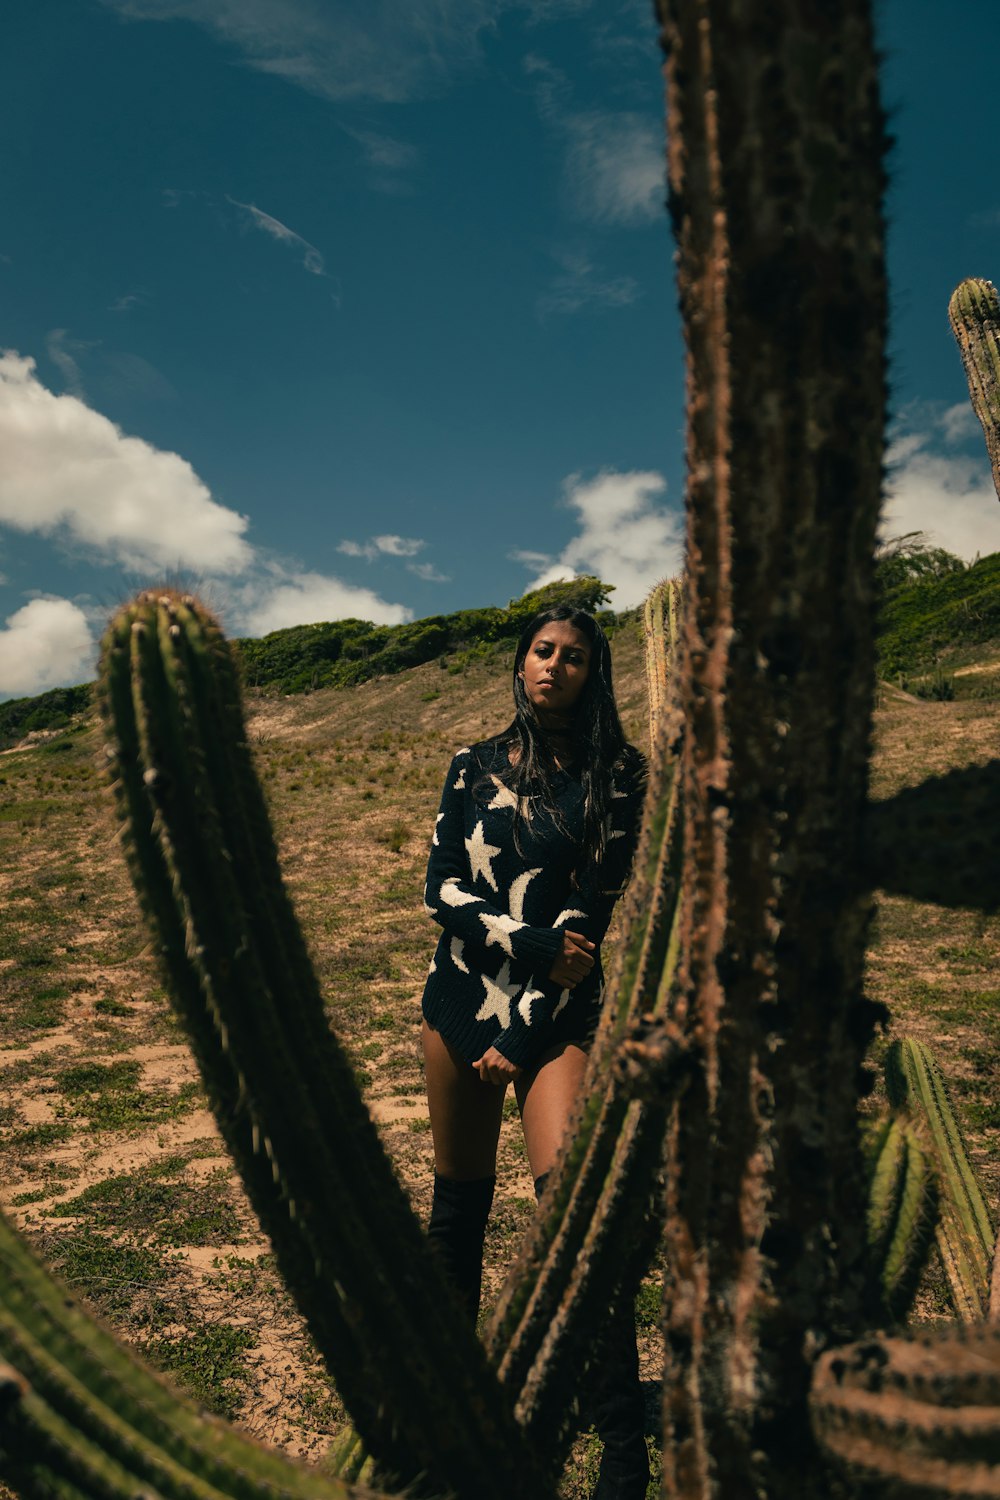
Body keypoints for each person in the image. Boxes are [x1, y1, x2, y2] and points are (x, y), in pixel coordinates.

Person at [420, 604, 649, 1500]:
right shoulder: (469, 765)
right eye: (542, 652)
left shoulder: (620, 777)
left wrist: (522, 1035)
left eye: (575, 658)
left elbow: (587, 926)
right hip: (457, 1001)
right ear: (520, 665)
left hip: (554, 1021)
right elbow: (439, 886)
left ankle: (623, 1459)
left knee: (576, 1221)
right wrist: (520, 940)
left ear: (596, 675)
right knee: (456, 1217)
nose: (555, 667)